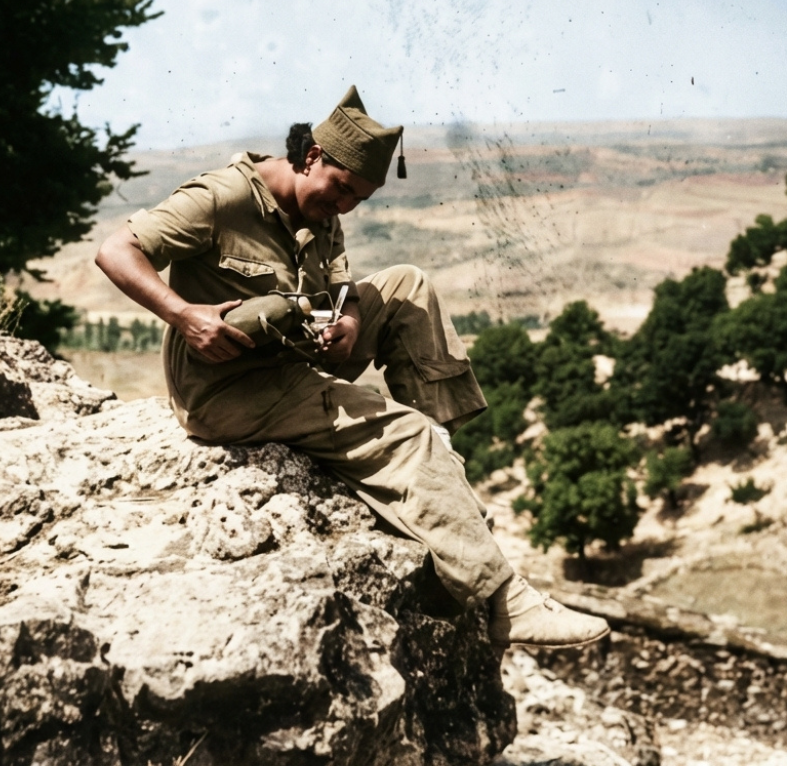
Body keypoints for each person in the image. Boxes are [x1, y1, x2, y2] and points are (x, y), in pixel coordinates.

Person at [95, 86, 609, 651]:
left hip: (292, 354)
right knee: (406, 435)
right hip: (228, 389)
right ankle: (503, 602)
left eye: (357, 199)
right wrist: (183, 314)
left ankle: (437, 459)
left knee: (408, 284)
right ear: (312, 155)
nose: (344, 206)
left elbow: (341, 287)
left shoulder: (319, 208)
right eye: (341, 188)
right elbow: (116, 250)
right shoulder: (222, 198)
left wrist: (352, 323)